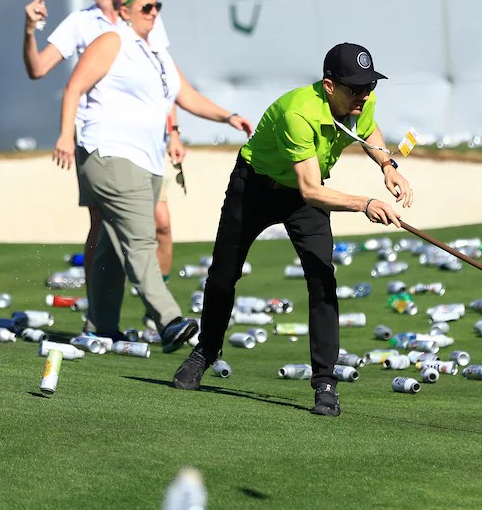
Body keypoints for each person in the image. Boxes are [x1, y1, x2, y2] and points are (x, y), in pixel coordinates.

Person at [172, 43, 412, 416]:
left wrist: (388, 165)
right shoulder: (297, 112)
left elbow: (369, 131)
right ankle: (206, 350)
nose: (364, 96)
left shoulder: (360, 102)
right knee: (223, 274)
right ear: (330, 86)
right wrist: (365, 204)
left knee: (322, 278)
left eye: (369, 87)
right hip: (255, 188)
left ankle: (325, 381)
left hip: (303, 199)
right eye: (356, 88)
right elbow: (312, 190)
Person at [52, 0, 254, 351]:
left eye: (158, 6)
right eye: (147, 7)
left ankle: (100, 327)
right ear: (124, 10)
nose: (154, 12)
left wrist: (229, 117)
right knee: (141, 238)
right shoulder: (112, 41)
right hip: (109, 152)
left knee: (114, 243)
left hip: (146, 159)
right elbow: (74, 86)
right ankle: (168, 319)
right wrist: (65, 134)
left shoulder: (156, 51)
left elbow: (187, 96)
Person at [24, 0, 183, 284]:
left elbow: (164, 76)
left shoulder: (147, 12)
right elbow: (38, 68)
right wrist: (29, 30)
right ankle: (101, 310)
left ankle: (156, 309)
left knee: (162, 222)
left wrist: (174, 130)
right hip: (98, 142)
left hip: (146, 141)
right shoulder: (79, 22)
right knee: (102, 226)